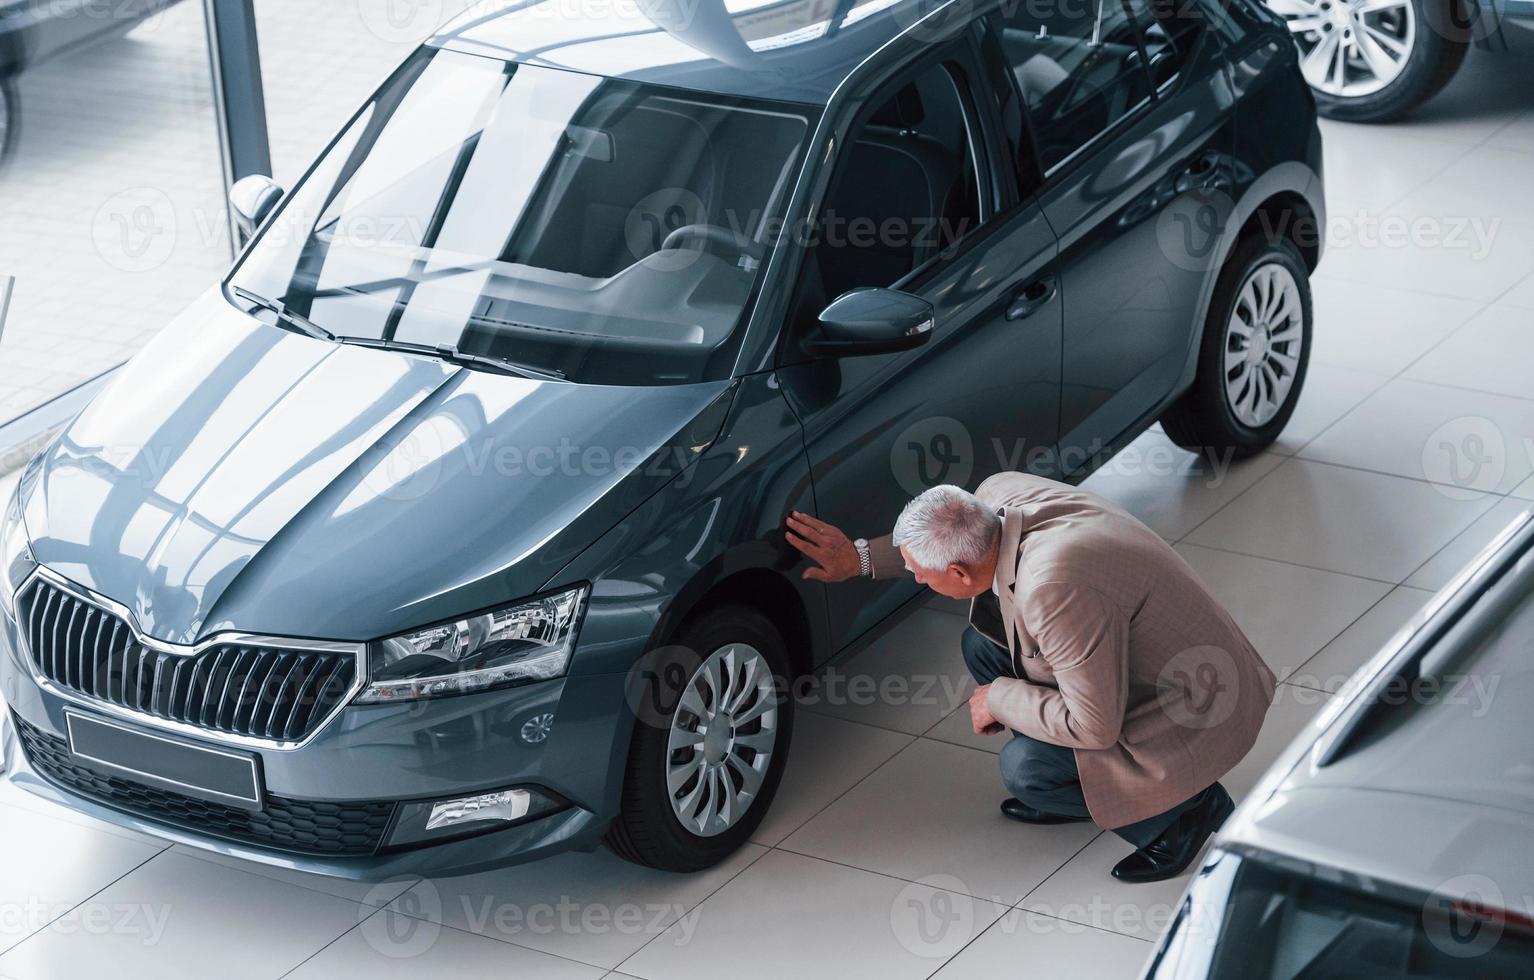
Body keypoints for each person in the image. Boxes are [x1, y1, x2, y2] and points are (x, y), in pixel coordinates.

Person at [785, 473, 1276, 883]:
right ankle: (1094, 785)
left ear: (957, 573)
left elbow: (1097, 726)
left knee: (1025, 769)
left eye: (920, 574)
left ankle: (1180, 816)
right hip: (1143, 660)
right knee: (983, 643)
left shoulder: (1053, 587)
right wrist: (860, 558)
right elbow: (936, 544)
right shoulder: (995, 500)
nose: (915, 579)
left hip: (1190, 704)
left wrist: (1000, 698)